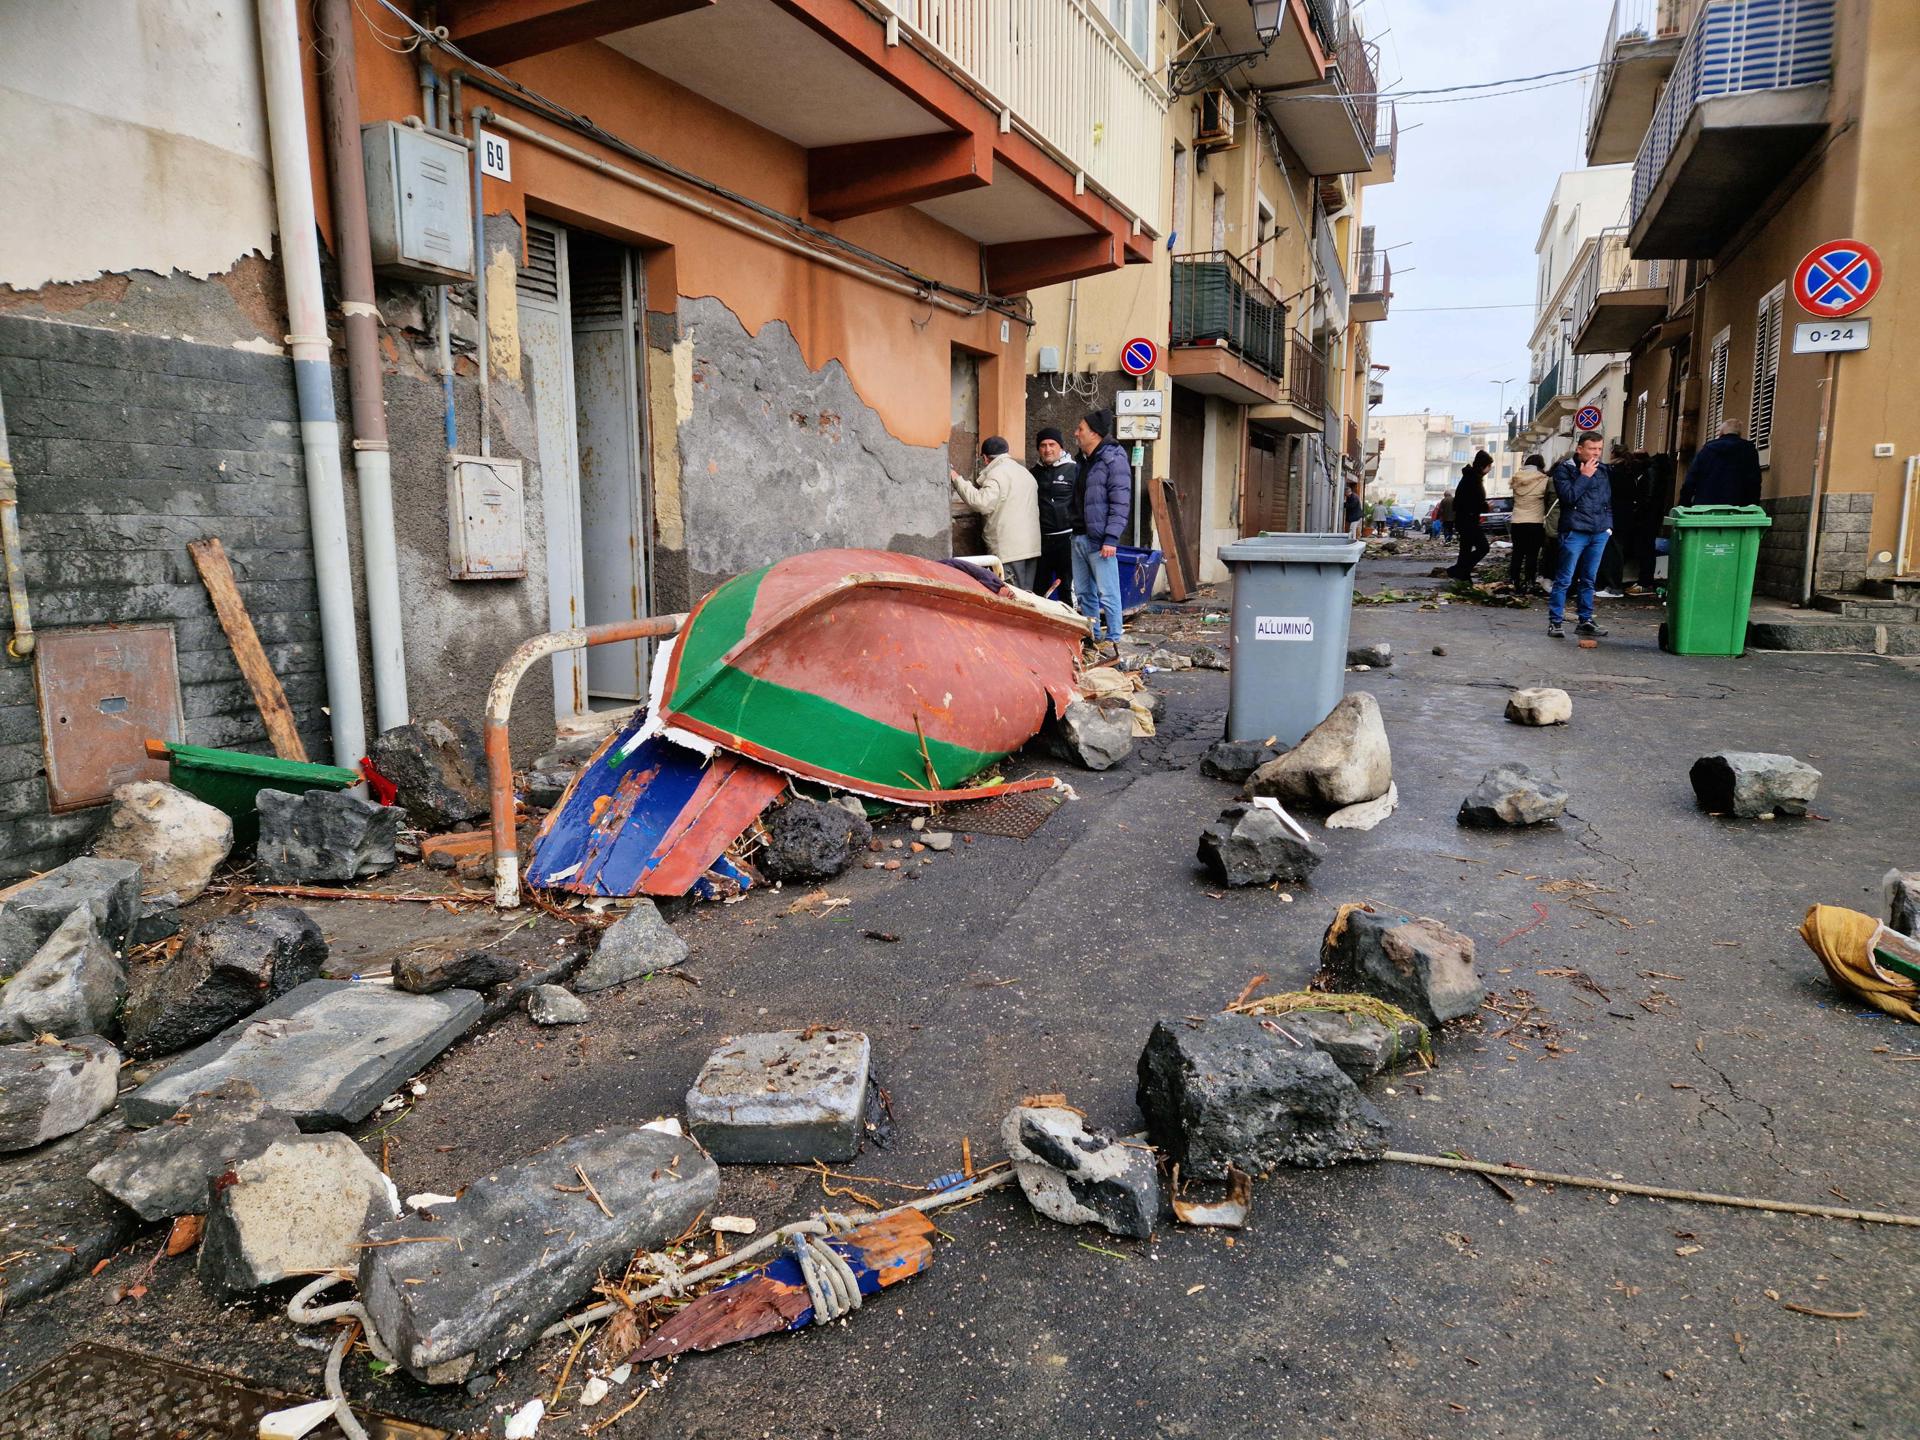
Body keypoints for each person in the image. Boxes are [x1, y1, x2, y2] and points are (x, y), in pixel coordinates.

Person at [1071, 408, 1131, 653]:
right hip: (1078, 536)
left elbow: (1120, 501)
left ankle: (1115, 640)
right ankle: (1094, 639)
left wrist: (1111, 538)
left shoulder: (1113, 459)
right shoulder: (1083, 461)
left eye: (1080, 429)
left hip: (1100, 540)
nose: (1076, 433)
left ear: (1094, 433)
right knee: (1085, 593)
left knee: (1108, 593)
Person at [950, 436, 1041, 589]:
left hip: (1009, 549)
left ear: (985, 458)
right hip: (1031, 547)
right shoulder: (1025, 473)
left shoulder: (996, 474)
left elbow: (981, 503)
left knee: (1011, 595)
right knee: (1027, 595)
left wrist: (956, 478)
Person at [1547, 432, 1613, 640]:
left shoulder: (1603, 471)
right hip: (1575, 531)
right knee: (1564, 579)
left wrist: (1608, 527)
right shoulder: (1564, 471)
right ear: (1580, 449)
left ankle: (1585, 621)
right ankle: (1555, 622)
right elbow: (1568, 497)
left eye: (1599, 449)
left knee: (1589, 579)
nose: (1597, 453)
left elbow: (1607, 501)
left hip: (1599, 531)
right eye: (1592, 449)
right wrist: (1584, 477)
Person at [1029, 427, 1078, 605]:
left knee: (1068, 587)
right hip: (1041, 540)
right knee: (1039, 588)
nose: (1047, 449)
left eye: (1052, 444)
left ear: (1061, 447)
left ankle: (1074, 628)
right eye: (1043, 445)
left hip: (1067, 539)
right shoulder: (1033, 473)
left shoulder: (1074, 470)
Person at [1681, 418, 1763, 506]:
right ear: (1739, 434)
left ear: (1721, 433)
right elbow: (1755, 481)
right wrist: (1753, 505)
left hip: (1706, 507)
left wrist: (1684, 503)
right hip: (1738, 508)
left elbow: (1691, 478)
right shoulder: (1749, 451)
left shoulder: (1707, 450)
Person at [1509, 451, 1551, 591]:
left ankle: (1513, 580)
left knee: (1517, 553)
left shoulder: (1516, 479)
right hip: (1535, 522)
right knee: (1532, 554)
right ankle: (1529, 582)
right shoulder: (1544, 480)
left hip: (1517, 521)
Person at [1448, 450, 1493, 581]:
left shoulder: (1470, 477)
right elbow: (1471, 502)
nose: (1490, 469)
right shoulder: (1473, 480)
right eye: (1489, 466)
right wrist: (1486, 506)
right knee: (1483, 547)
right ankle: (1458, 570)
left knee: (1465, 549)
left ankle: (1463, 577)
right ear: (1482, 465)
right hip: (1468, 519)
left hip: (1464, 519)